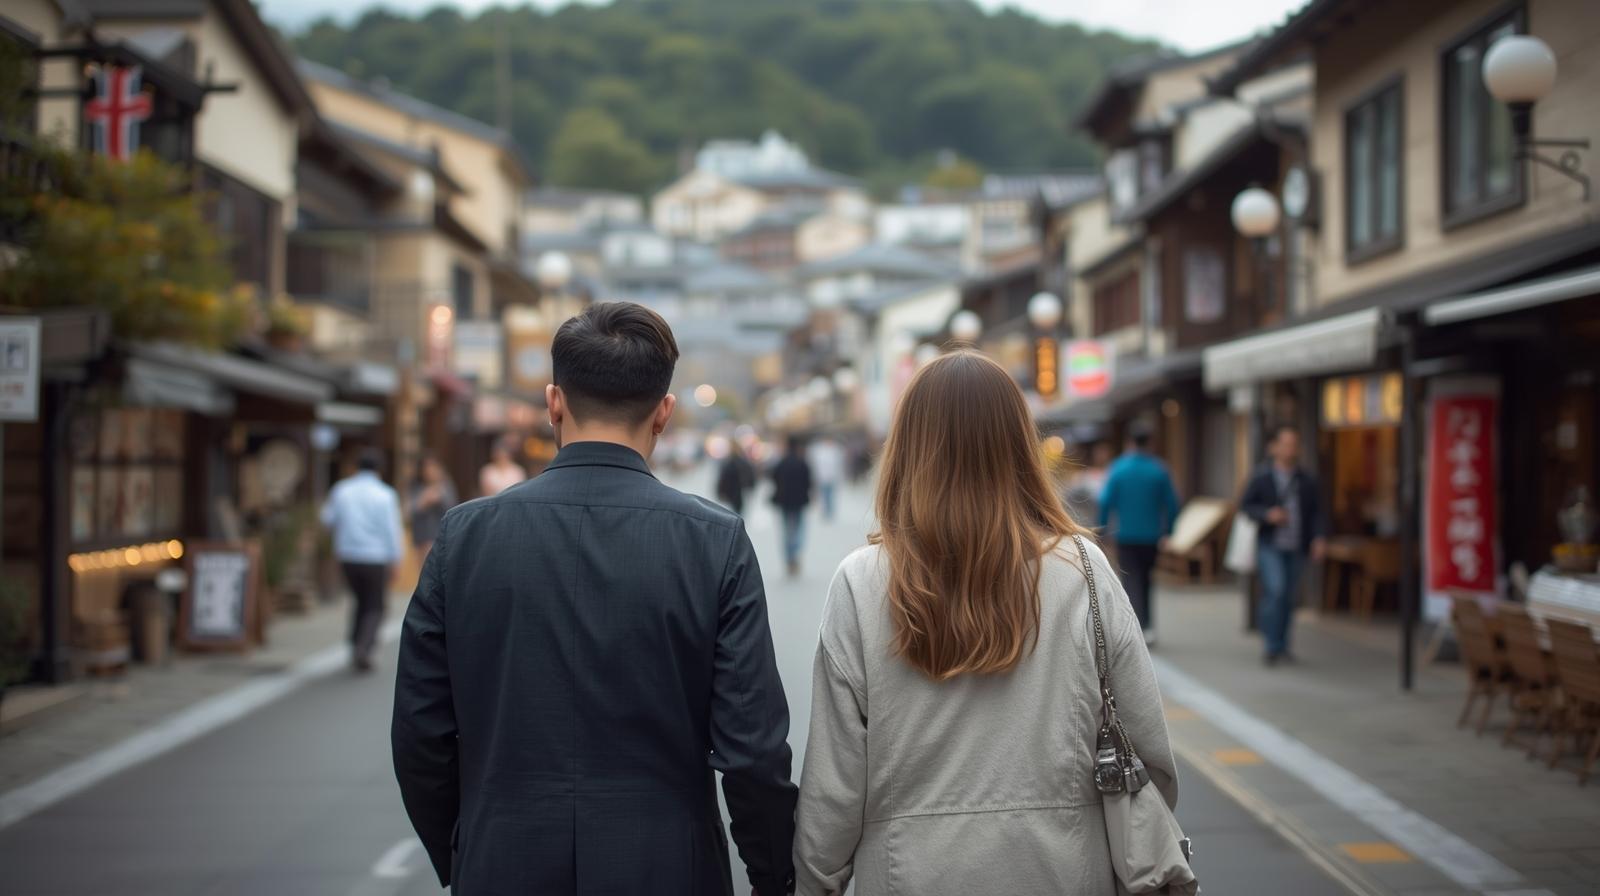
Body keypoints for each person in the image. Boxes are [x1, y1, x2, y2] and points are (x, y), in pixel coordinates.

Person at [392, 302, 797, 896]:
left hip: (502, 862)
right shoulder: (714, 541)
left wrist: (466, 849)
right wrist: (773, 876)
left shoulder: (464, 535)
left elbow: (420, 733)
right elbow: (753, 751)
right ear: (663, 414)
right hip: (668, 868)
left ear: (554, 403)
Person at [793, 352, 1176, 895]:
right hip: (1064, 869)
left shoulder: (862, 582)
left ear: (907, 449)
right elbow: (1149, 755)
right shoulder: (1083, 570)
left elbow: (834, 788)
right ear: (1020, 446)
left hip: (910, 875)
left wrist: (814, 883)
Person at [1240, 424, 1327, 665]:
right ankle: (1270, 642)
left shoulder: (1306, 479)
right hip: (1271, 543)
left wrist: (1319, 538)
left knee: (1289, 597)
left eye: (1294, 444)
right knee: (1276, 591)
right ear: (1274, 447)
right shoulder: (1262, 477)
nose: (1290, 449)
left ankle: (1283, 644)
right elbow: (1246, 506)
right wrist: (1268, 514)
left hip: (1297, 545)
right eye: (1286, 443)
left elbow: (1317, 512)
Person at [320, 451, 404, 672]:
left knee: (359, 600)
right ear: (379, 469)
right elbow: (391, 530)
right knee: (375, 604)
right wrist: (396, 559)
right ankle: (364, 647)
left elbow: (327, 519)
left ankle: (355, 643)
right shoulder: (385, 494)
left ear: (356, 466)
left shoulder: (342, 490)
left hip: (348, 555)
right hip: (375, 556)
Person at [1097, 428, 1180, 642]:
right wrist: (1169, 531)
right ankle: (1148, 626)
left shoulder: (1119, 468)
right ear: (1150, 442)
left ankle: (1133, 626)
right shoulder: (1159, 470)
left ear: (1130, 442)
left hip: (1125, 534)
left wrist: (1103, 529)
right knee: (1146, 580)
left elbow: (1106, 501)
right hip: (1151, 535)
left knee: (1130, 579)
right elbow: (1171, 504)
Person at [771, 435, 813, 577]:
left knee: (787, 530)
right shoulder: (802, 463)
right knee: (798, 529)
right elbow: (809, 482)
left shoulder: (782, 462)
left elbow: (773, 478)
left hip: (784, 500)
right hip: (799, 500)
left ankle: (789, 557)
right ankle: (794, 553)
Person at [408, 457, 456, 560]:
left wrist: (440, 497)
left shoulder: (445, 485)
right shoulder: (416, 486)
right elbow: (409, 510)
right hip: (421, 536)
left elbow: (453, 508)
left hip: (439, 535)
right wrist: (423, 501)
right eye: (426, 469)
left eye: (432, 468)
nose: (429, 472)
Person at [1063, 441, 1114, 527]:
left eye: (1104, 452)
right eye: (1099, 453)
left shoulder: (1113, 473)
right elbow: (1070, 496)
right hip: (1089, 520)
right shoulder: (1084, 475)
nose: (1101, 456)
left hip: (1109, 523)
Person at [808, 437, 846, 522]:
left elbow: (839, 465)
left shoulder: (835, 451)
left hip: (831, 477)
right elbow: (816, 465)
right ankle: (825, 511)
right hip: (822, 478)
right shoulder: (820, 451)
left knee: (830, 495)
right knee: (824, 495)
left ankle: (830, 511)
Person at [717, 439, 757, 516]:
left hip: (738, 491)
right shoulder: (730, 461)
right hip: (734, 491)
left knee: (735, 512)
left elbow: (723, 478)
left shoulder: (732, 462)